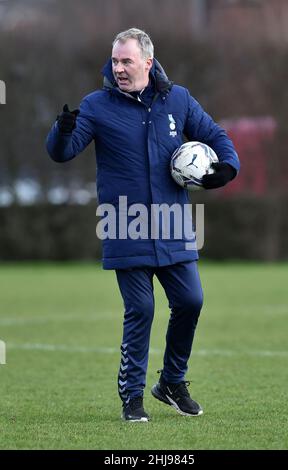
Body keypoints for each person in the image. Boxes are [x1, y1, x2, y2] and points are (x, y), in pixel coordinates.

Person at [46, 28, 240, 422]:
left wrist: (228, 167)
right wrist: (62, 129)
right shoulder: (97, 106)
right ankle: (132, 397)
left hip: (172, 224)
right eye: (114, 61)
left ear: (148, 63)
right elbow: (62, 153)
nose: (117, 68)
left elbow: (215, 135)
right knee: (141, 309)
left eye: (126, 61)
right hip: (124, 225)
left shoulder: (178, 99)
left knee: (191, 301)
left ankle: (171, 381)